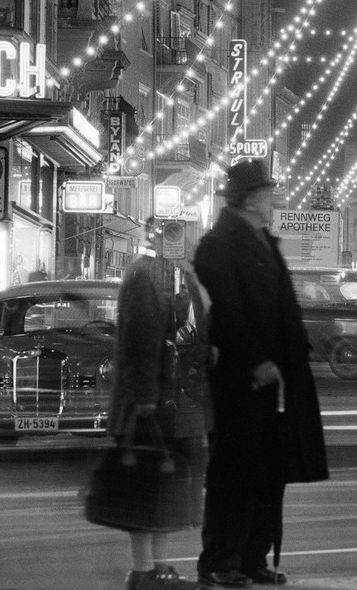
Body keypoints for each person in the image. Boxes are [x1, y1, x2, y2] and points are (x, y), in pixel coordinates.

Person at [193, 159, 328, 589]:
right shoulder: (218, 245)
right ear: (251, 199)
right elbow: (229, 312)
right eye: (268, 192)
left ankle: (253, 558)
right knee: (236, 473)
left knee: (269, 472)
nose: (274, 199)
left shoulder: (263, 241)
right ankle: (221, 560)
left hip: (277, 382)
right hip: (243, 381)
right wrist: (257, 360)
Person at [107, 218, 211, 590]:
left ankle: (159, 568)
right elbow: (139, 342)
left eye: (180, 235)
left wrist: (193, 279)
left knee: (169, 487)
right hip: (154, 404)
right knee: (147, 485)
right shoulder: (144, 274)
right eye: (169, 235)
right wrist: (145, 399)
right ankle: (144, 570)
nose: (176, 242)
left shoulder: (180, 276)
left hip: (180, 403)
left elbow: (202, 327)